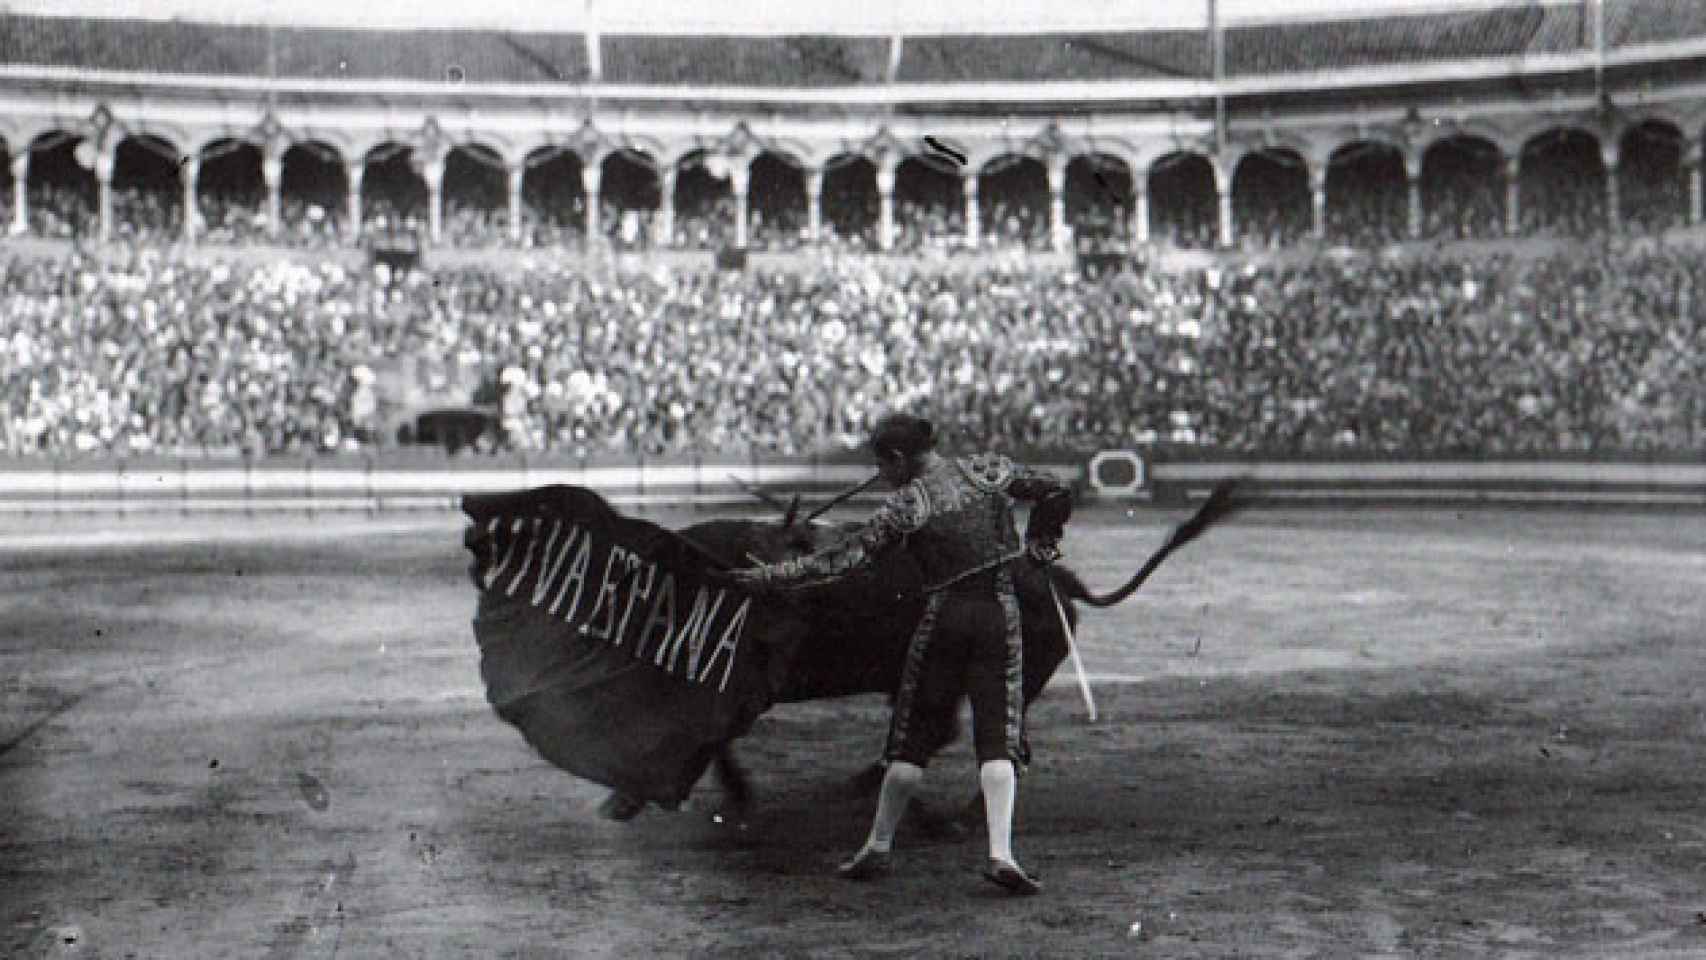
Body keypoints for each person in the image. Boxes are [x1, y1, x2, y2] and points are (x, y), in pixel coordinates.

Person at [729, 412, 1072, 895]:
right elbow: (1055, 488)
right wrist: (1041, 546)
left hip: (944, 621)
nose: (882, 474)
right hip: (1000, 615)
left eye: (883, 464)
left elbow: (841, 561)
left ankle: (878, 845)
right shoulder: (988, 471)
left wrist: (766, 577)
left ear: (897, 457)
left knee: (911, 737)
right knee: (998, 735)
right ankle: (1001, 853)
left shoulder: (909, 504)